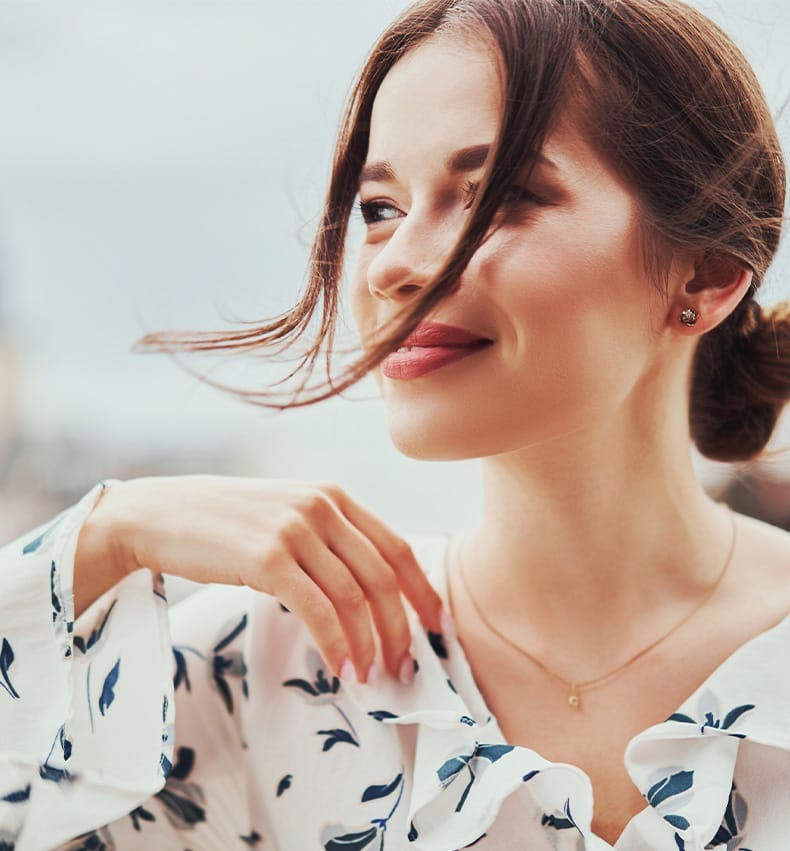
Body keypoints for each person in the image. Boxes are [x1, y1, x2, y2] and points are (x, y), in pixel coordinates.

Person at [2, 0, 790, 848]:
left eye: (499, 197)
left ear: (706, 275)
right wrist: (109, 534)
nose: (400, 264)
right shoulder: (263, 670)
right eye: (380, 207)